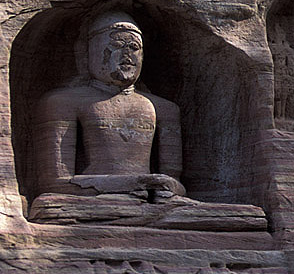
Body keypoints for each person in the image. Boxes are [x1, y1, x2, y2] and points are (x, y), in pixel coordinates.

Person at [34, 11, 186, 199]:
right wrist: (132, 184)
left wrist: (162, 186)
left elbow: (175, 185)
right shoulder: (62, 102)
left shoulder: (164, 109)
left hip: (150, 202)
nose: (127, 54)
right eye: (117, 45)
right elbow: (54, 184)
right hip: (91, 202)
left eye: (134, 47)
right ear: (89, 53)